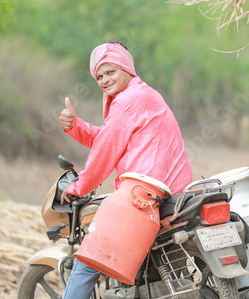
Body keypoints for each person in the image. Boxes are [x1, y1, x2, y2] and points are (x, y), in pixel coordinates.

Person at [59, 42, 192, 299]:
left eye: (111, 72)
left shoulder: (126, 102)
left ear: (126, 67)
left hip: (141, 195)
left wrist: (77, 187)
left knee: (88, 262)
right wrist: (76, 126)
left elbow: (104, 153)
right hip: (174, 193)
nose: (105, 80)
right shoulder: (146, 94)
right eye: (99, 76)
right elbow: (111, 138)